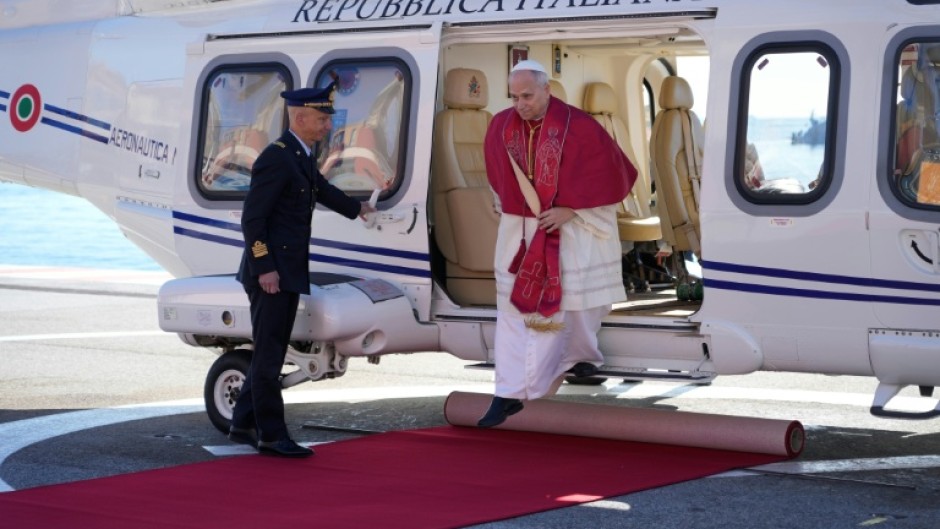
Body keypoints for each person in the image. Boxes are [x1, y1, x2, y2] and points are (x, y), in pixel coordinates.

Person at [479, 60, 637, 427]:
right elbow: (497, 183)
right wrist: (522, 213)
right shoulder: (500, 126)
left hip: (575, 232)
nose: (520, 104)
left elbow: (613, 178)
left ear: (547, 89)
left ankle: (579, 359)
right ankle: (507, 393)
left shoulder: (580, 126)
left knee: (576, 309)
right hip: (521, 233)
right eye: (514, 96)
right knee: (517, 314)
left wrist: (571, 211)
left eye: (528, 96)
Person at [228, 82, 376, 457]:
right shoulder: (276, 157)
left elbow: (320, 189)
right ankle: (271, 435)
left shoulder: (301, 153)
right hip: (271, 274)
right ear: (301, 117)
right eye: (323, 119)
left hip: (287, 269)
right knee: (270, 354)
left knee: (271, 348)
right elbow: (253, 220)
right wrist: (265, 268)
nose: (328, 125)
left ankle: (243, 422)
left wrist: (357, 209)